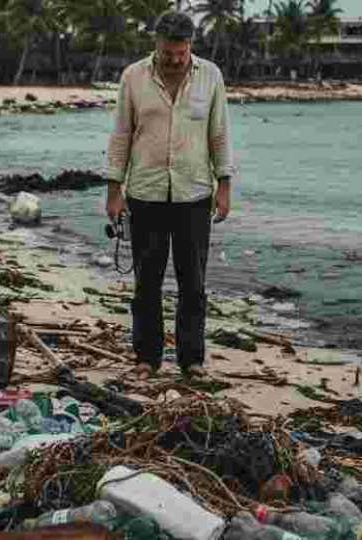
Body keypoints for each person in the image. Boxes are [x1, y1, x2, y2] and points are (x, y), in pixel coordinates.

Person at [105, 10, 236, 380]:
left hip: (194, 195)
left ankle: (191, 360)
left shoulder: (211, 76)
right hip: (145, 194)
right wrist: (114, 192)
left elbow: (219, 134)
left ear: (190, 45)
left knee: (193, 283)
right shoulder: (133, 77)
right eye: (168, 53)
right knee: (147, 282)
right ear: (156, 44)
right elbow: (120, 136)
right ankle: (147, 358)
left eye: (181, 52)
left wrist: (224, 185)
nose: (176, 60)